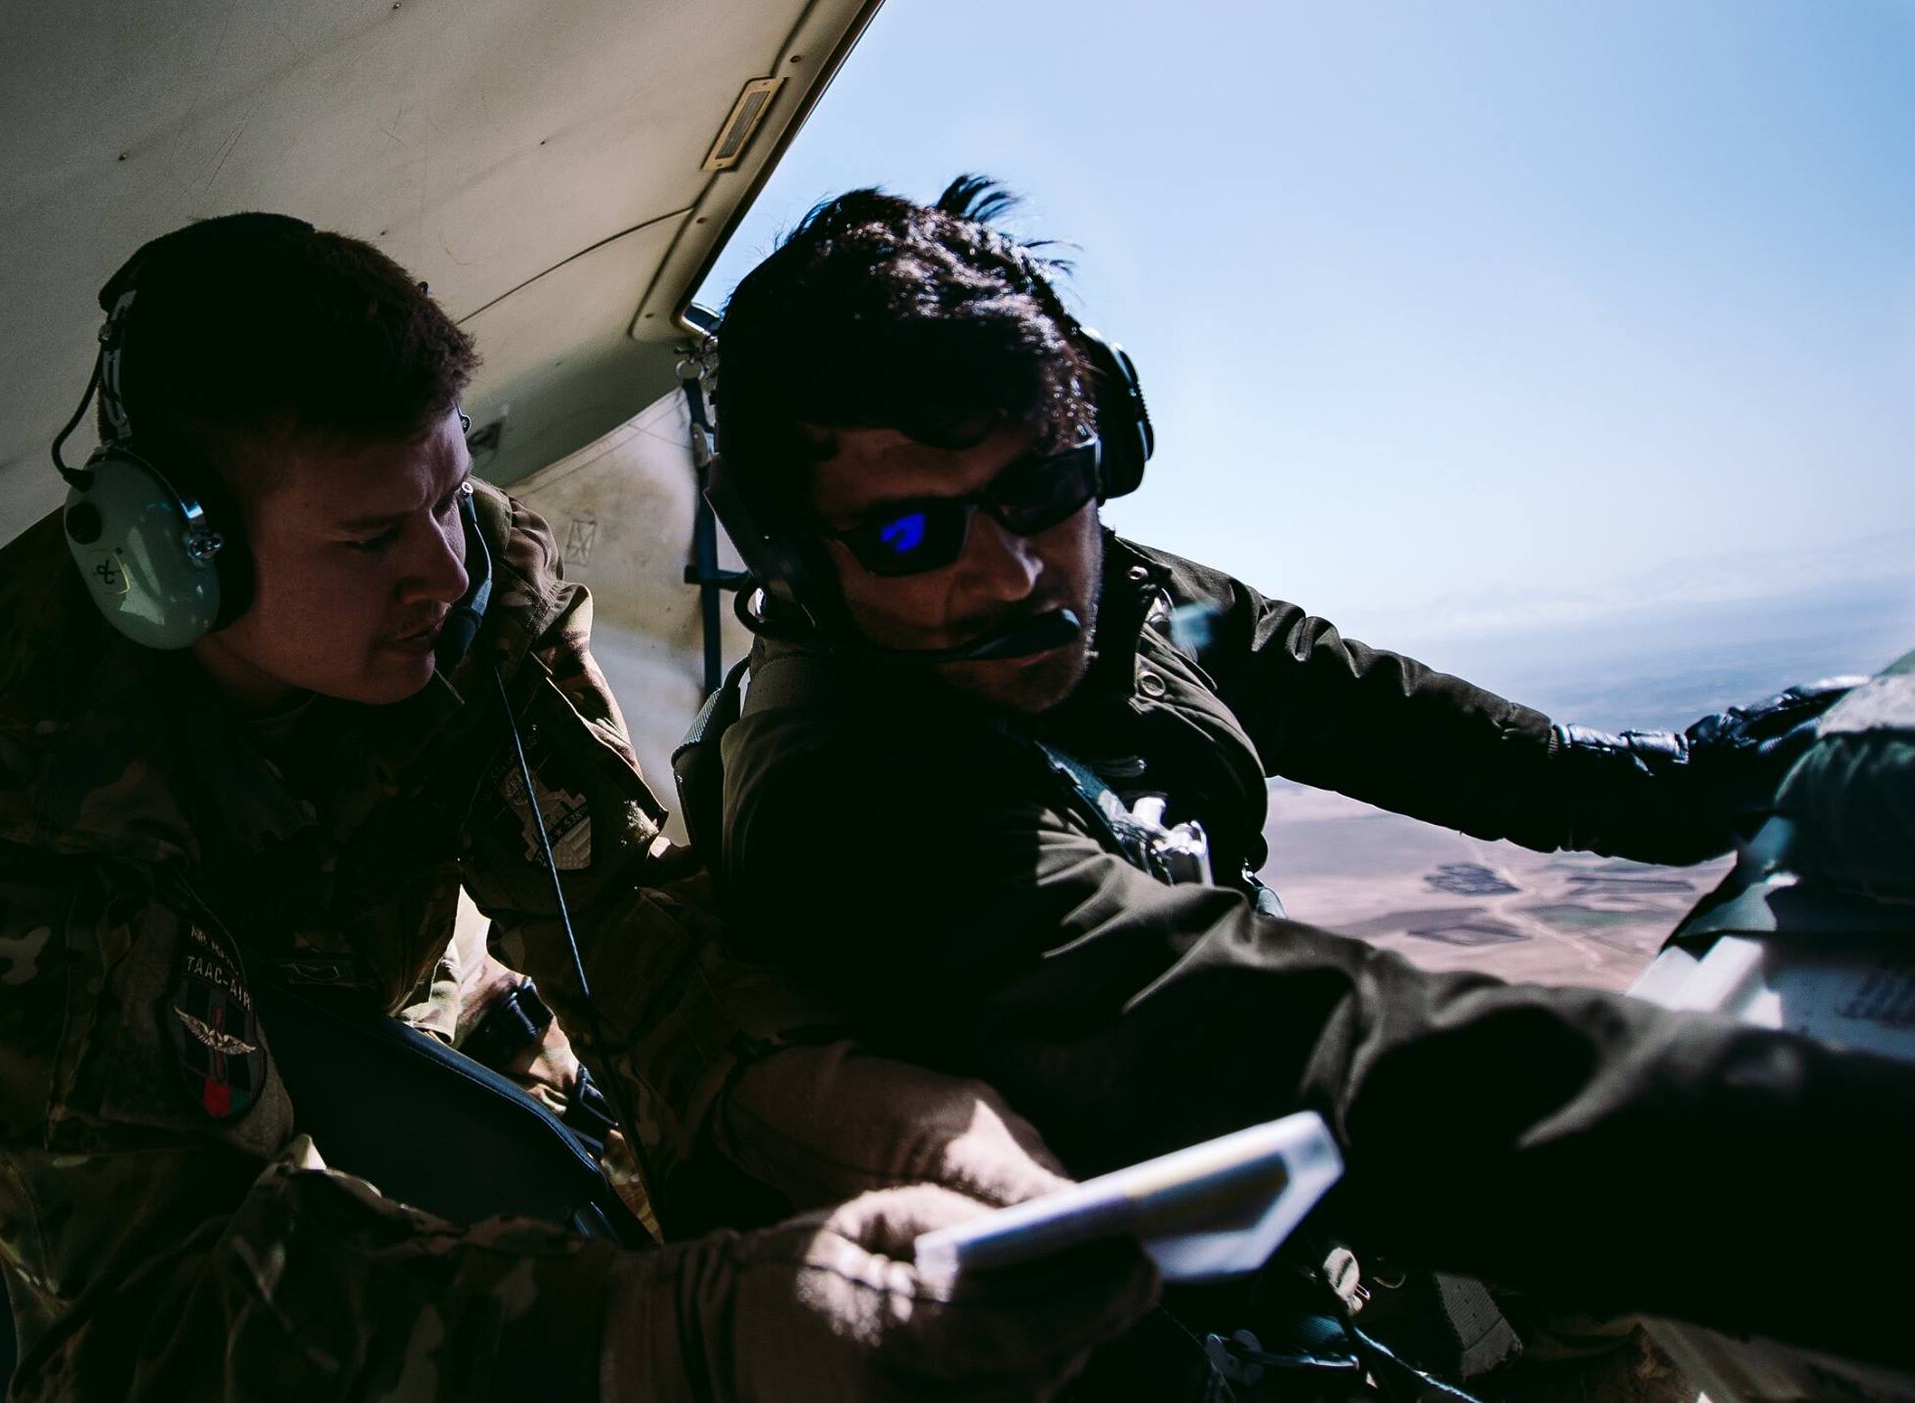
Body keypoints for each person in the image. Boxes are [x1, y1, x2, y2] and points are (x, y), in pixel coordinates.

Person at [0, 213, 1157, 1400]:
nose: (440, 569)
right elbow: (157, 1309)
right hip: (87, 1150)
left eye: (449, 492)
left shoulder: (473, 595)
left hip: (364, 1022)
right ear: (175, 559)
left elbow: (618, 918)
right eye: (365, 540)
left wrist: (876, 1115)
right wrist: (678, 1341)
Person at [702, 176, 1915, 1379]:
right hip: (1169, 1313)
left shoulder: (1116, 594)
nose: (1014, 572)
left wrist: (1703, 776)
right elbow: (1246, 1043)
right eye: (911, 535)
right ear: (802, 563)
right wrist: (1831, 1163)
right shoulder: (843, 797)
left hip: (1301, 1204)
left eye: (1038, 487)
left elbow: (1414, 724)